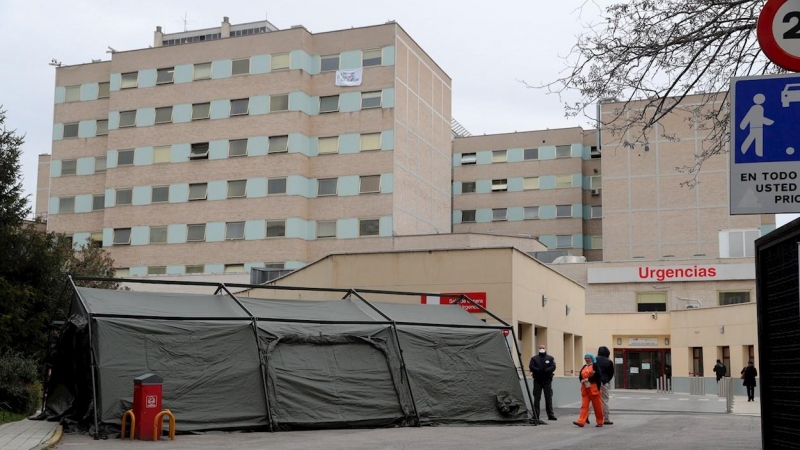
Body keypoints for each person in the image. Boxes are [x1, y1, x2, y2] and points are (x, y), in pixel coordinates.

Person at [573, 353, 604, 428]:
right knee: (584, 406)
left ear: (592, 359)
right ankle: (581, 421)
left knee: (597, 406)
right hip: (585, 389)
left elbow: (598, 375)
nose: (586, 359)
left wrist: (589, 379)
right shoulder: (584, 367)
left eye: (588, 358)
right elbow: (580, 375)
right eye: (585, 358)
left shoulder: (595, 365)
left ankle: (600, 421)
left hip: (594, 388)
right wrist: (581, 380)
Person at [529, 344, 557, 423]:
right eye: (540, 348)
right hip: (537, 380)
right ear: (538, 349)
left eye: (543, 348)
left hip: (547, 380)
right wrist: (538, 370)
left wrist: (547, 370)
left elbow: (553, 366)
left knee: (548, 397)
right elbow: (531, 366)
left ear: (545, 348)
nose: (542, 349)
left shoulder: (550, 358)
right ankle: (536, 415)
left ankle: (550, 415)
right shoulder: (534, 358)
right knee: (537, 398)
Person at [595, 346, 615, 425]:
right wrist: (606, 380)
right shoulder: (609, 362)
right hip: (604, 382)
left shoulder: (594, 360)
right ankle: (606, 418)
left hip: (594, 382)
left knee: (592, 400)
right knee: (604, 401)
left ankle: (585, 417)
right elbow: (611, 373)